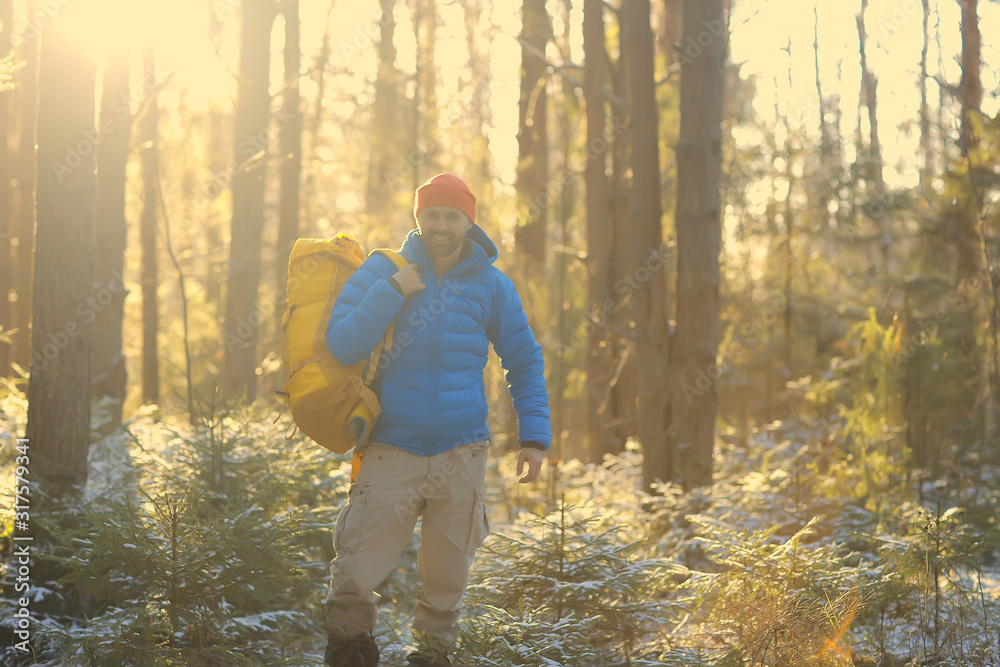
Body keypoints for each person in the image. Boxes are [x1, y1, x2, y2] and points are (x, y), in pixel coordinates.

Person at [323, 173, 551, 667]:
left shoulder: (492, 285)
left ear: (469, 221)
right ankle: (349, 653)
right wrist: (392, 291)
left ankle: (431, 657)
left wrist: (533, 436)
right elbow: (341, 344)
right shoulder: (386, 271)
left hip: (461, 450)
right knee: (356, 572)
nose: (442, 225)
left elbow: (524, 361)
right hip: (390, 445)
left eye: (453, 216)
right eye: (432, 215)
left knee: (447, 581)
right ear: (418, 218)